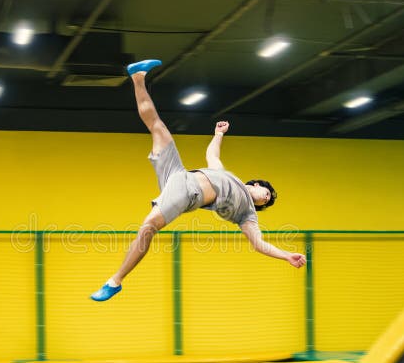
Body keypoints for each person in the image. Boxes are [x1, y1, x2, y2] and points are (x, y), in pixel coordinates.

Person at [91, 59, 306, 301]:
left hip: (187, 194)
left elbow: (258, 244)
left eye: (265, 202)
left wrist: (286, 255)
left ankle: (115, 280)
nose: (264, 199)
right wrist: (218, 134)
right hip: (179, 175)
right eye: (266, 194)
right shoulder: (227, 176)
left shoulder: (246, 213)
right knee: (158, 126)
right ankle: (138, 77)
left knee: (148, 227)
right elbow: (212, 155)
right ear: (257, 185)